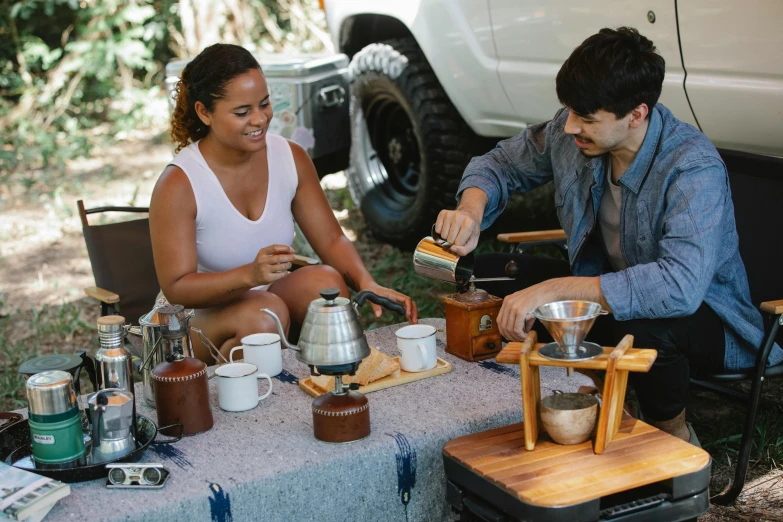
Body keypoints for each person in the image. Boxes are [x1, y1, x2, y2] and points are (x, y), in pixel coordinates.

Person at [435, 27, 782, 443]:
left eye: (587, 119)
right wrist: (471, 209)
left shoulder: (691, 167)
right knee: (488, 274)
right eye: (569, 112)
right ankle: (544, 401)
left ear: (636, 114)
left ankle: (671, 436)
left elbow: (679, 288)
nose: (569, 128)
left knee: (648, 327)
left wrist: (554, 291)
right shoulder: (575, 131)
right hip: (613, 298)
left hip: (706, 319)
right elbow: (502, 163)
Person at [150, 43, 418, 363]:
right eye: (242, 112)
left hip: (261, 298)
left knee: (326, 287)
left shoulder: (289, 157)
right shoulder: (180, 183)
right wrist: (249, 275)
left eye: (264, 104)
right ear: (204, 112)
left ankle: (323, 387)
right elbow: (178, 287)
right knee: (263, 318)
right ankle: (236, 403)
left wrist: (367, 281)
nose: (260, 119)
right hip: (189, 321)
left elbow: (331, 238)